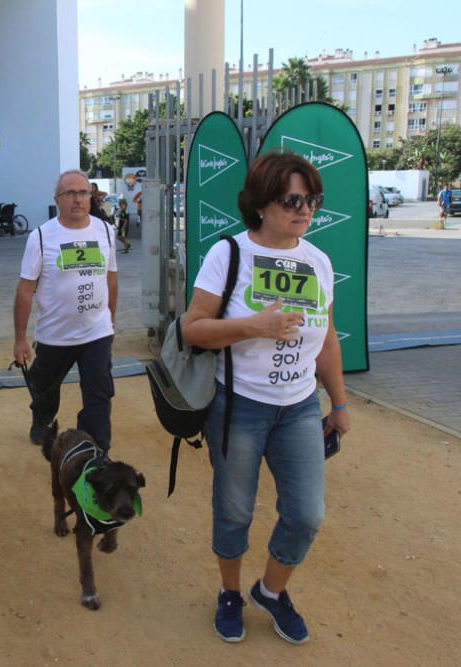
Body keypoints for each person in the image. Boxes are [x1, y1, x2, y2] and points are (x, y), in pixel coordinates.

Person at [180, 150, 350, 645]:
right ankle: (230, 592)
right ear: (260, 204)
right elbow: (193, 329)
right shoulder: (228, 255)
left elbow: (329, 338)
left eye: (311, 199)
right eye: (292, 199)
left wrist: (337, 404)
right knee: (234, 510)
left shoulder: (318, 261)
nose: (304, 209)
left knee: (306, 514)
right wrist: (253, 326)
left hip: (299, 407)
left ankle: (271, 592)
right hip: (239, 407)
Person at [13, 169, 119, 452]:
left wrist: (111, 318)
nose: (77, 199)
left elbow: (110, 278)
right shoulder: (40, 237)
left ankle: (96, 451)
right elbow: (25, 289)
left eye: (83, 193)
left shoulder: (106, 231)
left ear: (91, 196)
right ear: (57, 199)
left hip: (97, 332)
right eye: (69, 193)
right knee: (44, 388)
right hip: (55, 335)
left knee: (99, 396)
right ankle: (43, 417)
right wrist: (20, 338)